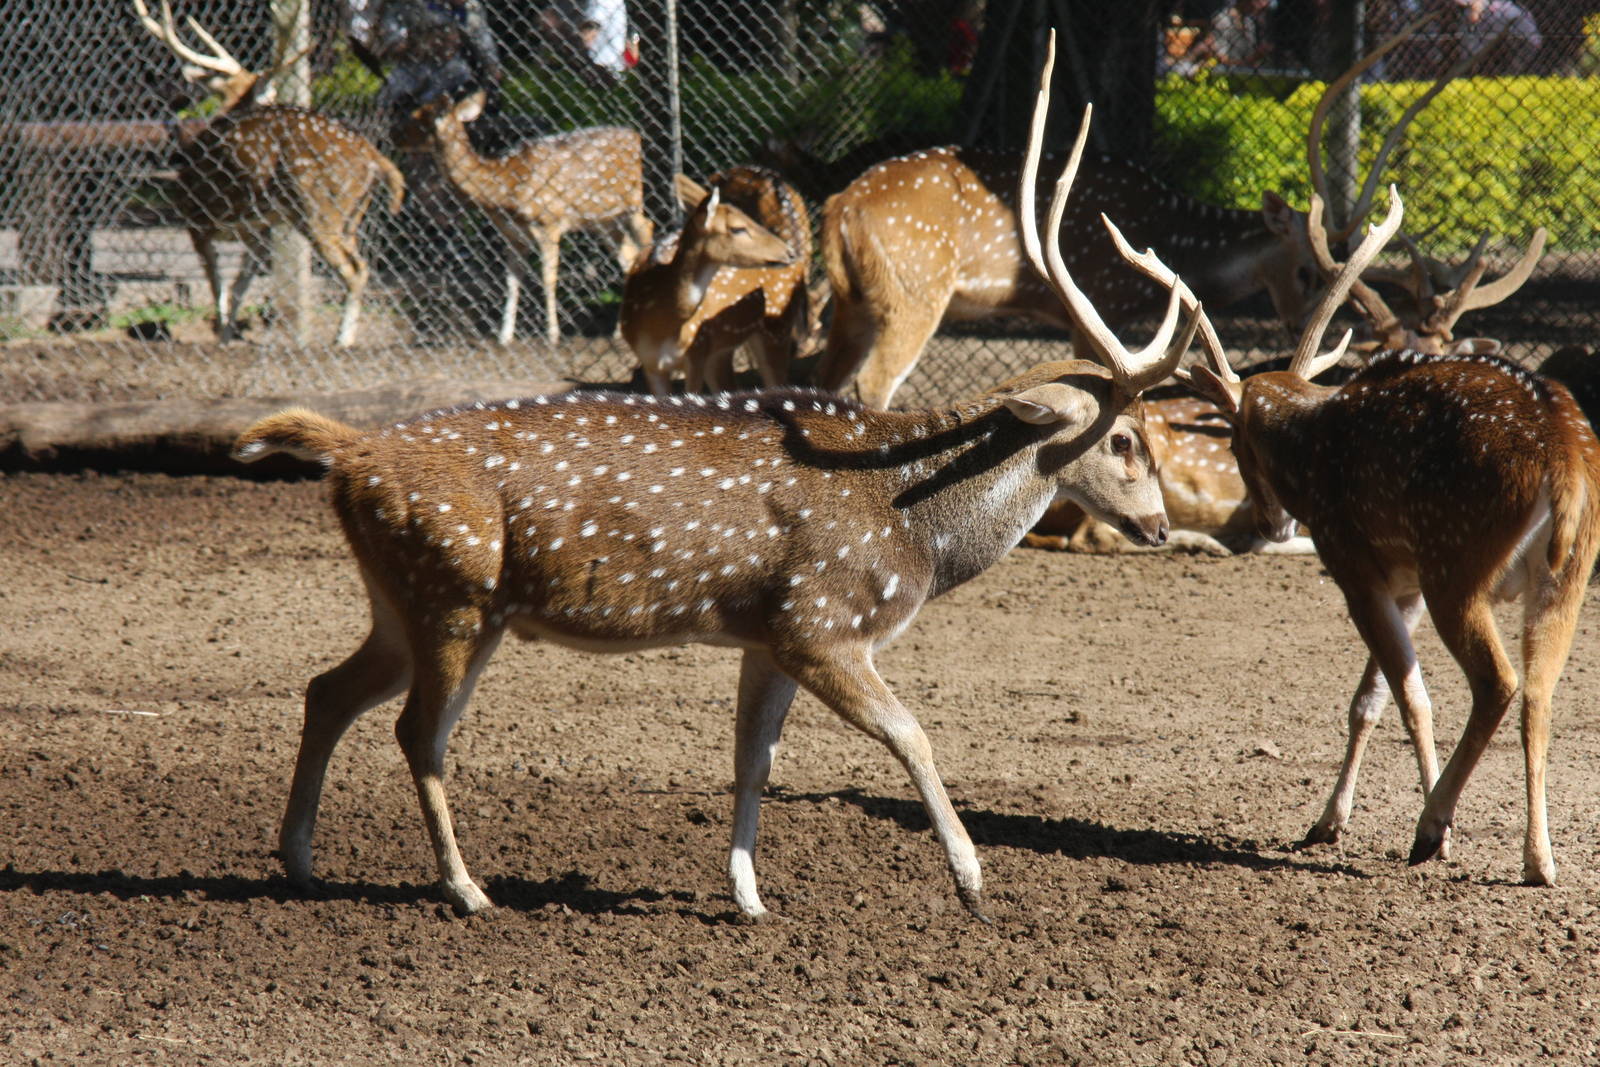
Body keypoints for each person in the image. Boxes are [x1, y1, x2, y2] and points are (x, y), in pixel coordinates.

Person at [368, 0, 502, 123]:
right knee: (394, 89)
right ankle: (387, 122)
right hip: (414, 62)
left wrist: (492, 66)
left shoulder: (472, 8)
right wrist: (421, 43)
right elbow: (390, 42)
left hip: (450, 65)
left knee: (462, 79)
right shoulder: (416, 4)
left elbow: (483, 40)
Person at [1453, 0, 1542, 74]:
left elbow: (1474, 14)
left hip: (1523, 42)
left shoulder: (1479, 7)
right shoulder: (1506, 5)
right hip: (1529, 40)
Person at [1188, 0, 1275, 70]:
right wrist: (1251, 60)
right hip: (1222, 72)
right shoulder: (1223, 20)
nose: (1261, 5)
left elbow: (1250, 56)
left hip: (1243, 72)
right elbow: (1219, 59)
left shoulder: (1249, 22)